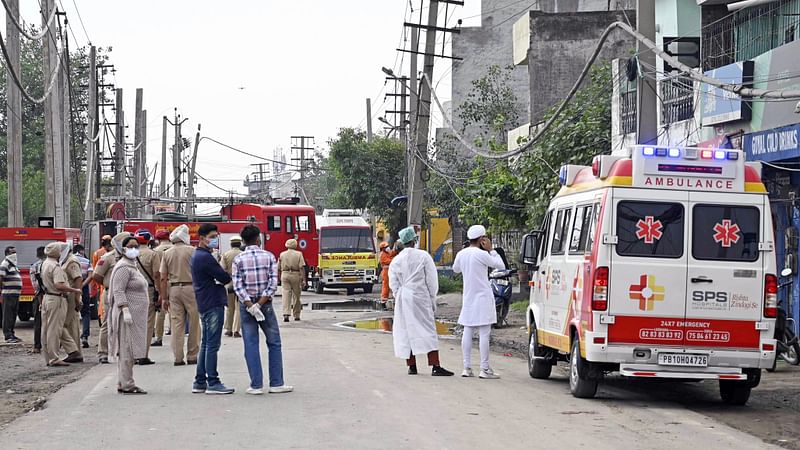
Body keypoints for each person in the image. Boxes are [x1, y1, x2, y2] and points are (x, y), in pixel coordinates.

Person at [232, 225, 293, 395]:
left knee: (251, 344)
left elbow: (238, 286)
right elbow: (273, 283)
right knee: (274, 342)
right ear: (258, 239)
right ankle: (276, 383)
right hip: (265, 305)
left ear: (243, 241)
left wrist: (250, 305)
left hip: (246, 306)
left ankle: (256, 385)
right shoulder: (269, 257)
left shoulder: (238, 259)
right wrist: (260, 303)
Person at [389, 227, 454, 376]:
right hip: (420, 296)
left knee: (407, 330)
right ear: (414, 240)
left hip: (403, 297)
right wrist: (432, 296)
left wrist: (399, 296)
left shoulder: (396, 260)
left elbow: (394, 284)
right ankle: (435, 365)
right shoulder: (423, 256)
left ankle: (411, 366)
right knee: (428, 329)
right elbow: (431, 280)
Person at [453, 225, 506, 379]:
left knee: (467, 330)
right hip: (483, 297)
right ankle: (484, 369)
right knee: (484, 333)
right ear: (482, 239)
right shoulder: (481, 254)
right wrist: (491, 250)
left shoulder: (462, 254)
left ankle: (467, 367)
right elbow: (500, 265)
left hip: (468, 297)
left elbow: (456, 269)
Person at [190, 224, 235, 395]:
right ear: (202, 238)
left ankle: (200, 381)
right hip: (212, 302)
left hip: (204, 301)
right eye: (212, 236)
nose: (215, 239)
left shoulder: (198, 255)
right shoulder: (205, 258)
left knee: (206, 344)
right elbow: (224, 277)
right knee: (212, 345)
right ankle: (213, 381)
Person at [108, 235, 149, 395]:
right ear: (123, 249)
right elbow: (118, 290)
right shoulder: (123, 267)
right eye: (130, 246)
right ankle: (127, 384)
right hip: (127, 315)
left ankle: (123, 382)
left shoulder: (133, 265)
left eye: (136, 246)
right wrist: (124, 309)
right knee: (127, 349)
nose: (134, 249)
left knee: (130, 349)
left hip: (136, 315)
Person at [159, 224, 200, 366]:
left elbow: (163, 277)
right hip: (191, 288)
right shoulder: (193, 251)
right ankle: (192, 356)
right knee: (194, 322)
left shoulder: (167, 253)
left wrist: (164, 297)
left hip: (174, 289)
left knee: (177, 324)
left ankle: (178, 357)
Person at [40, 243, 82, 367]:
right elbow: (59, 285)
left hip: (48, 297)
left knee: (49, 328)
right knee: (55, 329)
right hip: (57, 298)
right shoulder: (55, 266)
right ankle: (55, 358)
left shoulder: (45, 263)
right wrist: (75, 291)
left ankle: (67, 352)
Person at [93, 232, 128, 364]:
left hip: (127, 293)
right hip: (111, 294)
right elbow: (96, 276)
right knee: (108, 323)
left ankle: (121, 350)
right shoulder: (107, 258)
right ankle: (103, 352)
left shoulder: (131, 257)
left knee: (126, 322)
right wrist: (109, 285)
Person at [133, 230, 158, 365]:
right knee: (147, 323)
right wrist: (159, 292)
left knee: (134, 322)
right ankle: (142, 354)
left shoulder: (130, 254)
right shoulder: (152, 254)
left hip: (131, 290)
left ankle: (132, 353)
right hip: (147, 290)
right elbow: (156, 275)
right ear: (149, 240)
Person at [61, 246, 85, 363]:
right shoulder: (66, 260)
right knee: (72, 325)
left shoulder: (71, 261)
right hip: (70, 294)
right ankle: (76, 352)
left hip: (71, 295)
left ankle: (73, 351)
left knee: (62, 324)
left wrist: (77, 298)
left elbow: (78, 279)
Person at [151, 230, 172, 345]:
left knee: (161, 311)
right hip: (174, 282)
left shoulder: (155, 251)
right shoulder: (174, 248)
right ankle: (175, 333)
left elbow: (156, 272)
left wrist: (158, 288)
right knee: (175, 311)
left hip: (161, 281)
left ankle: (159, 337)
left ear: (158, 239)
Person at [278, 239, 306, 322]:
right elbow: (301, 267)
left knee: (286, 294)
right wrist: (303, 279)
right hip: (295, 274)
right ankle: (296, 314)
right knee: (296, 295)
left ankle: (286, 314)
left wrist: (280, 277)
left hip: (285, 274)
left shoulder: (282, 254)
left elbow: (278, 268)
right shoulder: (299, 254)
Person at [0, 246, 23, 343]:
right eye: (12, 252)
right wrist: (2, 289)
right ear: (7, 254)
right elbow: (0, 277)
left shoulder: (13, 265)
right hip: (8, 294)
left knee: (13, 315)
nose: (15, 254)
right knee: (8, 315)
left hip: (15, 294)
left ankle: (12, 334)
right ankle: (8, 336)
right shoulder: (5, 264)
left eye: (15, 252)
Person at [221, 236, 243, 337]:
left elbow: (223, 269)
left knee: (230, 307)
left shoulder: (226, 254)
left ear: (231, 244)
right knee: (239, 307)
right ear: (240, 244)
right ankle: (236, 329)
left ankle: (228, 329)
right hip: (241, 283)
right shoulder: (243, 254)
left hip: (230, 282)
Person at [74, 245, 93, 348]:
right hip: (84, 289)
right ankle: (85, 336)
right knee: (85, 313)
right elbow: (91, 276)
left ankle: (72, 338)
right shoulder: (87, 261)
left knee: (72, 313)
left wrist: (75, 287)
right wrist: (82, 286)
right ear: (81, 251)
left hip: (71, 288)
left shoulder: (68, 261)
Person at [30, 247, 46, 353]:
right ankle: (51, 345)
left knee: (38, 322)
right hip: (50, 295)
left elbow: (35, 284)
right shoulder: (50, 265)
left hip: (38, 296)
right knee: (52, 322)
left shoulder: (33, 266)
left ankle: (37, 346)